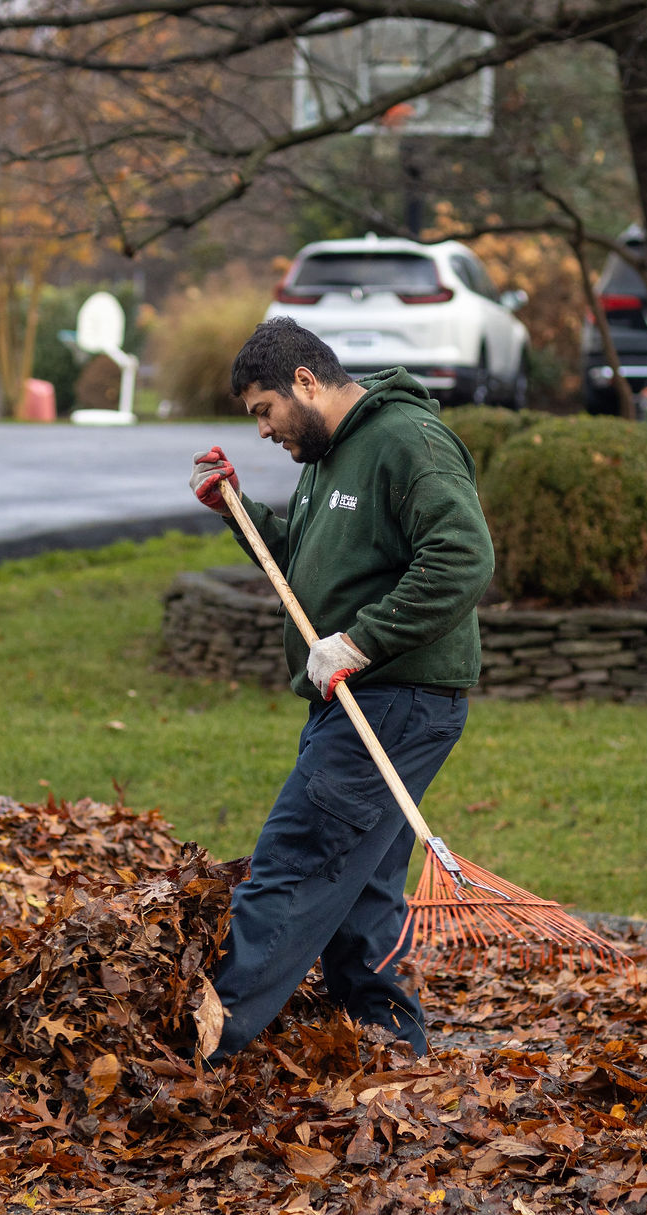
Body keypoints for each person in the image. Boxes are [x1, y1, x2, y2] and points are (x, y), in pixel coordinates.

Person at [187, 317, 494, 1061]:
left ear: (305, 382)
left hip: (398, 696)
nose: (262, 431)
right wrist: (240, 513)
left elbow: (462, 554)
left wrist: (362, 639)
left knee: (299, 854)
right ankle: (388, 1038)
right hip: (360, 700)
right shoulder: (326, 456)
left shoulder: (406, 442)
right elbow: (306, 547)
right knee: (362, 882)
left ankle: (206, 1037)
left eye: (264, 411)